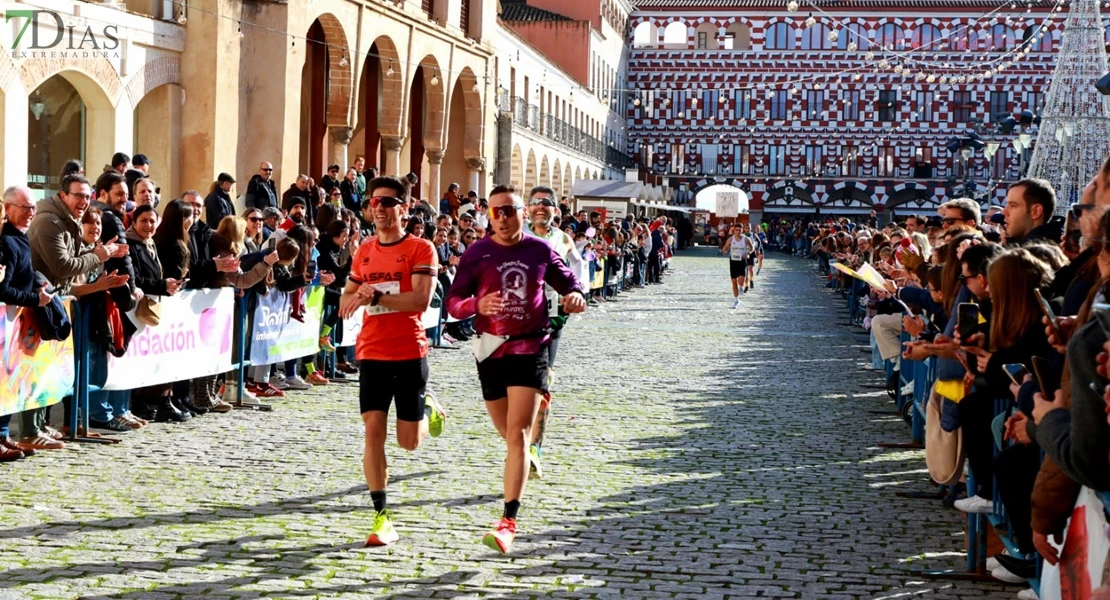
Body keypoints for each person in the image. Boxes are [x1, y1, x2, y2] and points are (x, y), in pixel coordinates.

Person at [445, 184, 587, 554]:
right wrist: (478, 304)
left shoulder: (539, 249)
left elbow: (570, 284)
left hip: (531, 348)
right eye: (496, 212)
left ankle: (508, 520)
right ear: (488, 216)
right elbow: (453, 304)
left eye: (509, 210)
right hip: (490, 351)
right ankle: (522, 467)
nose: (503, 218)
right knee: (508, 436)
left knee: (519, 437)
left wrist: (575, 296)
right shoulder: (477, 252)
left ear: (523, 212)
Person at [337, 175, 446, 547]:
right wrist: (355, 295)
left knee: (410, 443)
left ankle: (428, 403)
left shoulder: (420, 248)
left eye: (386, 202)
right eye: (373, 203)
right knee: (372, 432)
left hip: (409, 350)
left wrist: (374, 297)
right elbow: (345, 299)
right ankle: (381, 516)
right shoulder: (364, 250)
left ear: (403, 207)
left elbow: (420, 301)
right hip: (372, 351)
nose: (378, 208)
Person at [523, 185, 586, 479]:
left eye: (546, 203)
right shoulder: (517, 235)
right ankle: (518, 436)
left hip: (551, 320)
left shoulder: (563, 239)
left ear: (555, 210)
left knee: (543, 381)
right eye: (535, 202)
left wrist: (575, 293)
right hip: (516, 320)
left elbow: (578, 268)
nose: (541, 207)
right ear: (528, 208)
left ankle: (535, 448)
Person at [722, 223, 755, 308]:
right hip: (733, 261)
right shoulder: (730, 239)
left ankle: (741, 286)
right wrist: (724, 250)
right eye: (736, 230)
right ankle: (737, 300)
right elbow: (725, 247)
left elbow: (752, 248)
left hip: (742, 261)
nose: (738, 232)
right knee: (733, 282)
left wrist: (748, 253)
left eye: (740, 230)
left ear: (742, 230)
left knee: (740, 280)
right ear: (734, 231)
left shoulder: (746, 239)